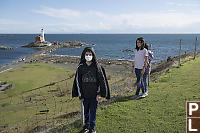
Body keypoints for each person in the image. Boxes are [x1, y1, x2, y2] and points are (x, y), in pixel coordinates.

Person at [72, 47, 110, 133]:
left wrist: (99, 94)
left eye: (90, 54)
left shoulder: (97, 67)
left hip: (94, 95)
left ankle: (92, 129)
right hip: (85, 95)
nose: (88, 56)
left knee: (93, 112)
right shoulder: (80, 67)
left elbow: (101, 81)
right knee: (86, 112)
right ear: (83, 55)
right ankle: (86, 126)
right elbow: (78, 82)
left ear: (93, 55)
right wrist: (80, 95)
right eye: (86, 54)